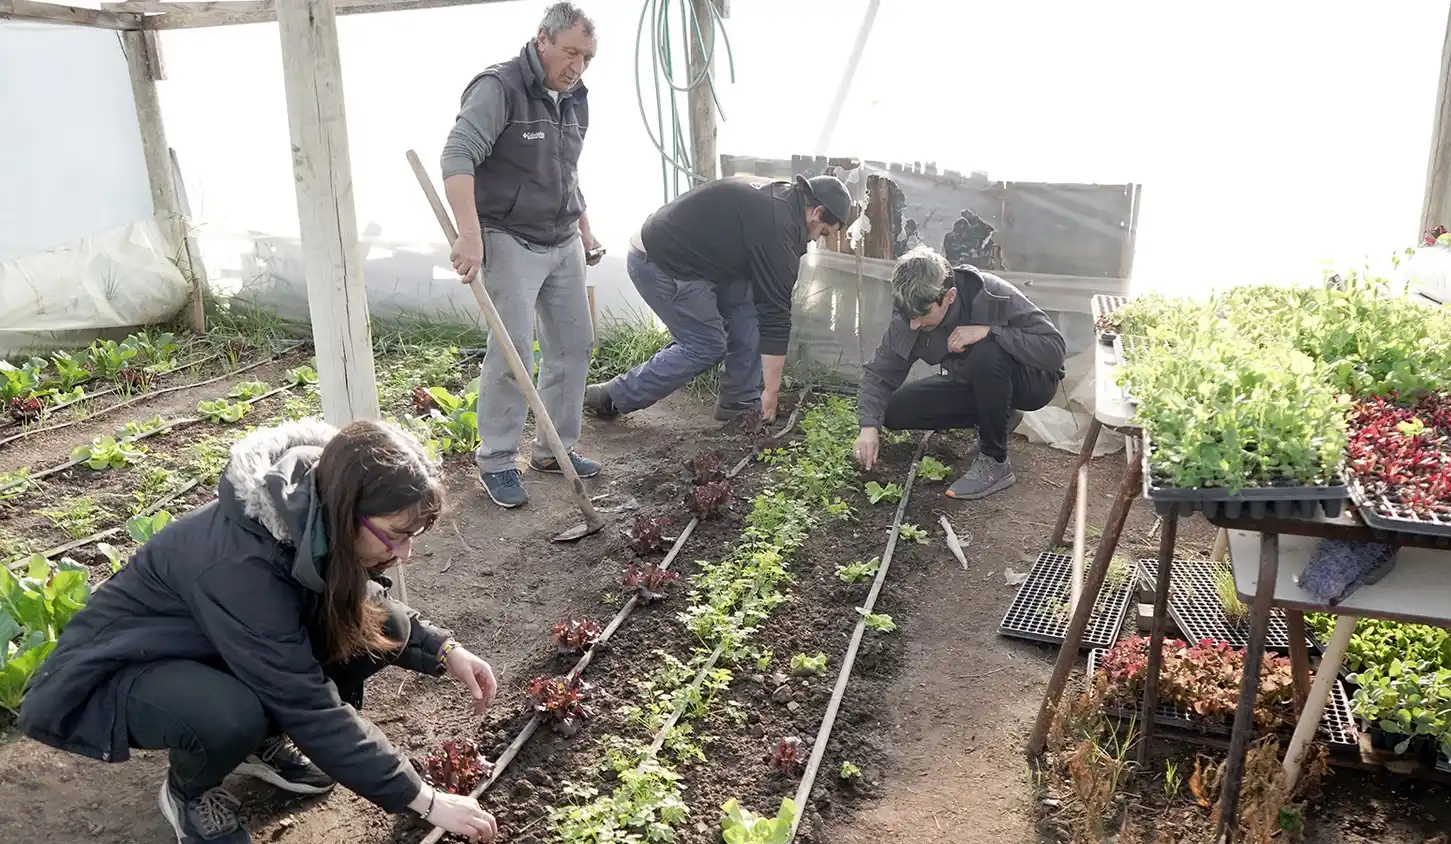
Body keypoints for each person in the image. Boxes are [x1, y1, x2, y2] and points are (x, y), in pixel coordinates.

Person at [17, 420, 501, 844]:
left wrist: (442, 647)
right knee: (229, 716)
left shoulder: (316, 513)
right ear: (347, 510)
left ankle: (257, 743)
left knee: (385, 627)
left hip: (212, 647)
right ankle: (188, 792)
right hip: (122, 670)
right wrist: (424, 800)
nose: (405, 553)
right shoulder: (240, 565)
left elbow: (361, 603)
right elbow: (304, 699)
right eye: (395, 535)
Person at [441, 2, 602, 509]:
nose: (577, 66)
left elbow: (566, 169)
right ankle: (497, 461)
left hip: (562, 239)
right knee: (513, 352)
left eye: (587, 57)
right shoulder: (499, 88)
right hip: (508, 236)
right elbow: (457, 156)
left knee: (574, 345)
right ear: (542, 39)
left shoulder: (574, 98)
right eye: (570, 52)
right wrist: (470, 235)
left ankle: (555, 449)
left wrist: (585, 228)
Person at [581, 173, 853, 423]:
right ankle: (611, 396)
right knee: (705, 345)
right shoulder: (778, 228)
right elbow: (776, 317)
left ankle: (739, 403)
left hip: (697, 261)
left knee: (752, 306)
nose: (816, 240)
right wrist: (771, 393)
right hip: (661, 264)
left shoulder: (783, 200)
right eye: (823, 232)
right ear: (817, 212)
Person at [853, 247, 1066, 499]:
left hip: (1032, 381)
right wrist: (868, 427)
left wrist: (990, 331)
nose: (914, 324)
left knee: (985, 352)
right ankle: (1001, 415)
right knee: (891, 410)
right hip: (972, 381)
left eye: (922, 315)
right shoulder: (910, 313)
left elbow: (1054, 351)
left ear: (949, 296)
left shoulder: (990, 293)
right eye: (909, 315)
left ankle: (994, 461)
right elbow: (879, 374)